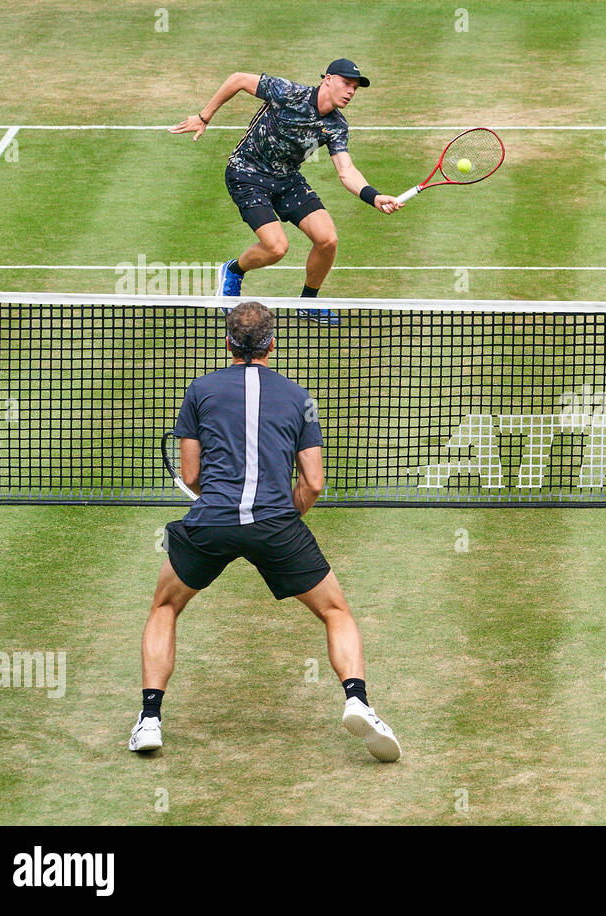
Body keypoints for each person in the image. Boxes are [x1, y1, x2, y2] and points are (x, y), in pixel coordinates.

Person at [128, 301, 401, 762]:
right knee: (335, 610)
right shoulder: (298, 397)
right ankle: (358, 701)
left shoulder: (200, 390)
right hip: (277, 527)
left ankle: (149, 721)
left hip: (211, 522)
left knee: (165, 606)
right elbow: (313, 482)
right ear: (272, 342)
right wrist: (280, 517)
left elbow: (191, 476)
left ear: (229, 341)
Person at [169, 59, 401, 325]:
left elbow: (346, 170)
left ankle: (307, 304)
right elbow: (238, 79)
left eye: (355, 87)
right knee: (276, 247)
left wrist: (374, 196)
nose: (350, 91)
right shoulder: (288, 93)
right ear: (327, 79)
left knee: (328, 240)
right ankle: (233, 271)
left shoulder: (336, 125)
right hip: (247, 174)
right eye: (346, 83)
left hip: (287, 179)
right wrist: (203, 117)